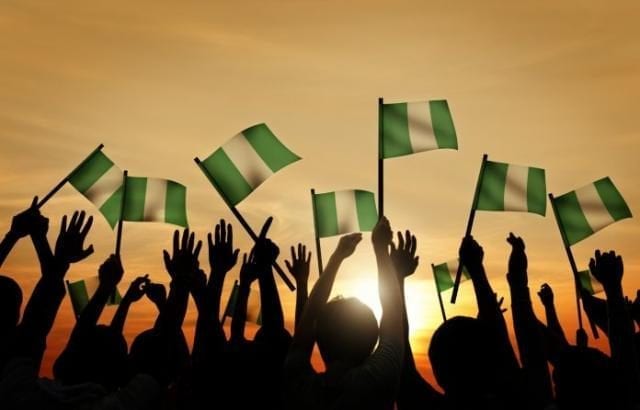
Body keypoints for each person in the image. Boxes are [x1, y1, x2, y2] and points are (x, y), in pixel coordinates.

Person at [284, 216, 404, 410]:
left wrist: (337, 257)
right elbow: (393, 312)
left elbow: (309, 317)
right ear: (372, 340)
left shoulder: (299, 385)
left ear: (319, 339)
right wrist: (381, 250)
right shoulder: (379, 379)